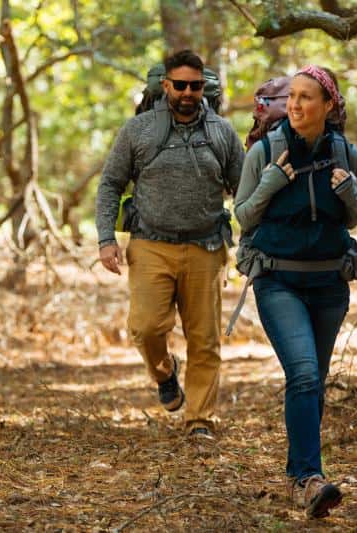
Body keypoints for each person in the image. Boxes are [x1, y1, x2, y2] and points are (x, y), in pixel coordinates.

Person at [234, 65, 357, 517]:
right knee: (306, 374)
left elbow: (354, 218)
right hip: (278, 280)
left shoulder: (348, 154)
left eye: (307, 97)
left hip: (330, 283)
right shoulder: (265, 152)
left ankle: (299, 473)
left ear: (328, 106)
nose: (295, 105)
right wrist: (271, 183)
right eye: (291, 96)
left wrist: (349, 194)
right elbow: (244, 217)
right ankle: (312, 480)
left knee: (312, 383)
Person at [95, 49, 245, 438]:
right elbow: (111, 183)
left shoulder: (222, 132)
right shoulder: (139, 130)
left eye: (196, 86)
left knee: (204, 340)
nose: (188, 93)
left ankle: (199, 420)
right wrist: (106, 239)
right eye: (180, 85)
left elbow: (244, 190)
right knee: (145, 328)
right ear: (165, 86)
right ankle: (164, 373)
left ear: (204, 89)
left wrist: (257, 239)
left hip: (207, 247)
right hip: (150, 243)